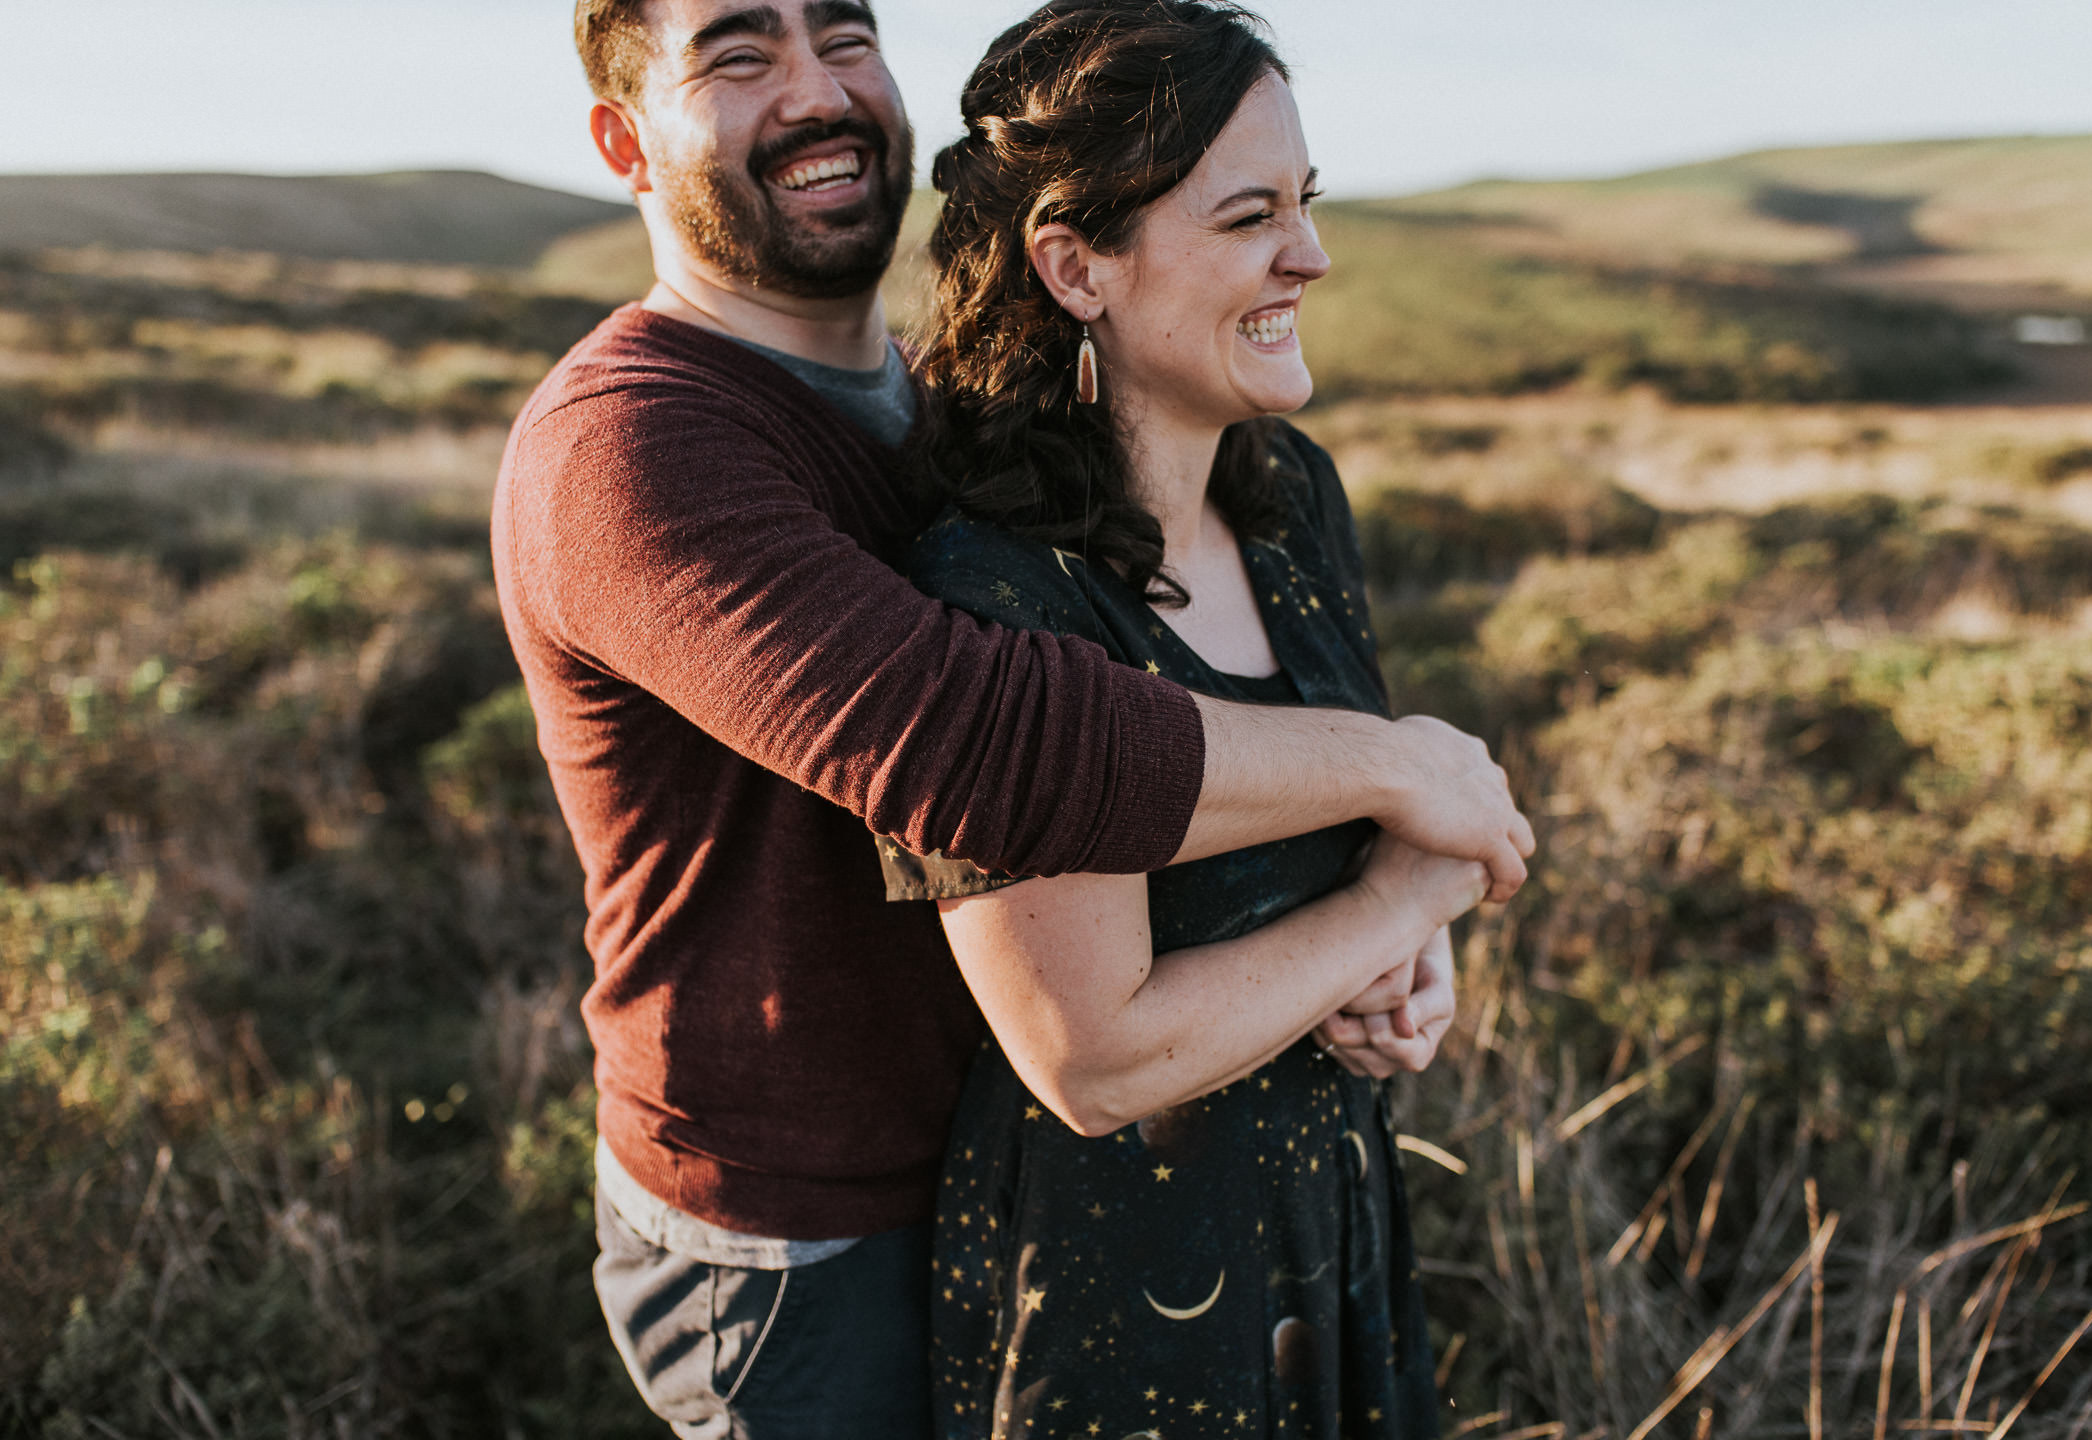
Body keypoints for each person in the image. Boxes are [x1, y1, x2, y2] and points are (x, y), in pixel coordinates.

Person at [493, 0, 1531, 1435]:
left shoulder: (954, 419)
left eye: (843, 35)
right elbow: (983, 753)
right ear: (623, 140)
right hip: (810, 1232)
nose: (816, 90)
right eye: (740, 55)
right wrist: (1402, 778)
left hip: (1036, 1175)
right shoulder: (629, 450)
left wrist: (1391, 932)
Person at [879, 4, 1464, 1435]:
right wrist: (1406, 899)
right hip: (1123, 1299)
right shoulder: (994, 592)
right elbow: (1094, 1057)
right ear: (1077, 266)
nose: (1310, 255)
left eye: (1307, 205)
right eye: (1251, 214)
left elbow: (1347, 832)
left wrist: (1411, 974)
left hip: (1330, 1238)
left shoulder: (1290, 500)